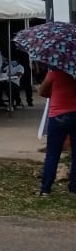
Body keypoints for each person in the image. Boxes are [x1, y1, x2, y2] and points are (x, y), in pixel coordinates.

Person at [37, 68, 76, 196]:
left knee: (53, 154)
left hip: (58, 116)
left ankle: (45, 189)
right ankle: (73, 188)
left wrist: (54, 93)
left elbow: (42, 91)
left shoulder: (53, 74)